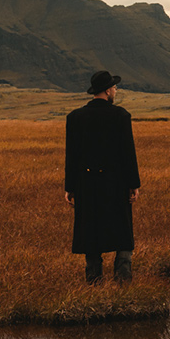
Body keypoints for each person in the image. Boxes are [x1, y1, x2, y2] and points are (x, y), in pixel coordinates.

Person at [64, 69, 140, 283]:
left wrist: (70, 188)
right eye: (114, 87)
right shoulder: (121, 116)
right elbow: (128, 153)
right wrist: (134, 184)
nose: (116, 90)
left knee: (91, 229)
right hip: (116, 183)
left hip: (86, 184)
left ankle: (94, 280)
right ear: (107, 91)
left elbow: (72, 156)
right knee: (123, 230)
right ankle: (123, 278)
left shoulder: (75, 117)